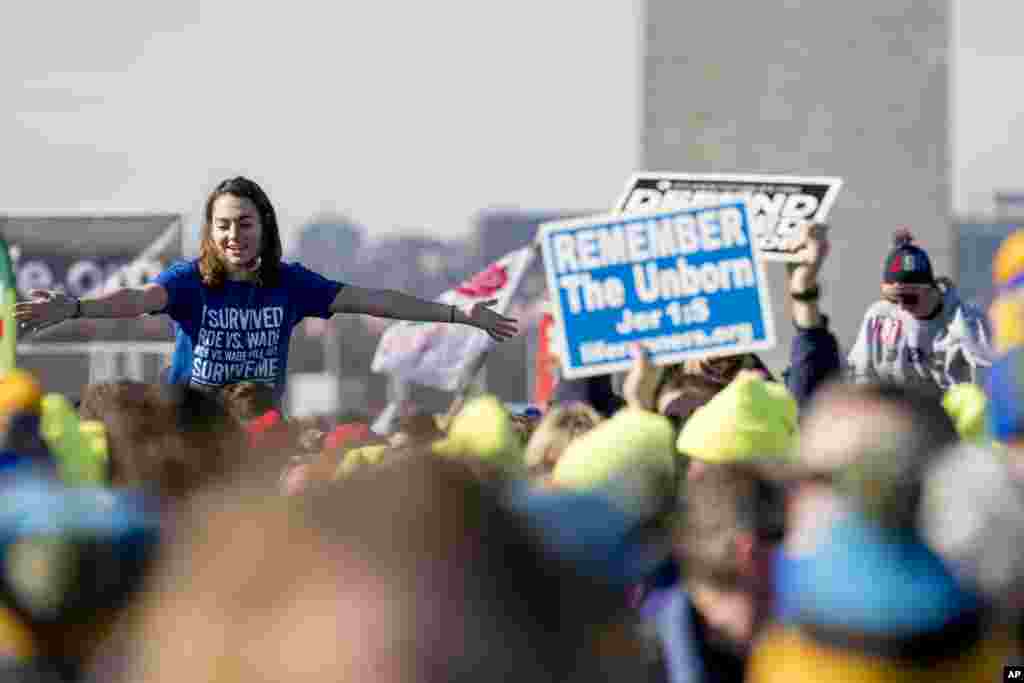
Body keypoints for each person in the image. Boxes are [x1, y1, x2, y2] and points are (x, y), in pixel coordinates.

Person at [15, 177, 518, 406]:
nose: (234, 235)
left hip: (260, 423)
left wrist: (459, 314)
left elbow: (375, 300)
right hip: (194, 421)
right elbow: (137, 301)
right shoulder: (188, 280)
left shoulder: (292, 283)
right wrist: (74, 307)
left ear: (265, 226)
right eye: (224, 226)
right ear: (211, 232)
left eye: (245, 224)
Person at [847, 229, 992, 394]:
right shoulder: (879, 318)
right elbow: (859, 377)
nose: (900, 307)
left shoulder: (966, 323)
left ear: (931, 290)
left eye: (908, 298)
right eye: (893, 299)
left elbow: (989, 385)